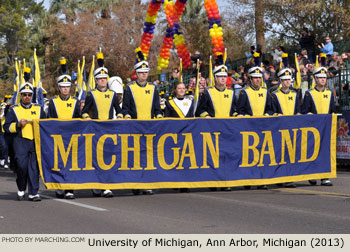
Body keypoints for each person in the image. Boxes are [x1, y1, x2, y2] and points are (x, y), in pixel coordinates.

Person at [81, 52, 123, 197]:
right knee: (96, 159)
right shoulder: (91, 94)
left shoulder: (112, 94)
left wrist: (120, 117)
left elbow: (119, 111)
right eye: (100, 79)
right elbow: (84, 112)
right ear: (96, 81)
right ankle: (96, 185)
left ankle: (107, 186)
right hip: (96, 131)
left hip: (110, 130)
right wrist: (86, 117)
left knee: (108, 159)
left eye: (105, 78)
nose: (103, 81)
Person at [122, 48, 163, 195]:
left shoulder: (153, 88)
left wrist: (158, 117)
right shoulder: (130, 88)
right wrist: (127, 117)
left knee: (148, 156)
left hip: (150, 128)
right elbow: (125, 108)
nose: (144, 74)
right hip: (135, 128)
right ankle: (135, 183)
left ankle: (147, 182)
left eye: (146, 72)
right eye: (141, 72)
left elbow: (157, 109)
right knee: (135, 156)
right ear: (137, 74)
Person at [196, 54, 236, 191]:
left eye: (225, 76)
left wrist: (237, 115)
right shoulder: (208, 92)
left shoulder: (231, 92)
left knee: (227, 156)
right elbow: (199, 110)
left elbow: (234, 110)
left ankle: (226, 181)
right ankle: (213, 180)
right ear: (215, 78)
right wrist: (207, 117)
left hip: (228, 129)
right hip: (212, 130)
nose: (223, 79)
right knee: (213, 156)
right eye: (220, 76)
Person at [4, 79, 46, 201]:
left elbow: (45, 124)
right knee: (21, 167)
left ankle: (33, 193)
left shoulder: (38, 109)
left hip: (35, 141)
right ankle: (21, 188)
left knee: (34, 168)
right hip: (20, 141)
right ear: (21, 95)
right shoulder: (14, 109)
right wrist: (17, 125)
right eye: (24, 95)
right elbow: (6, 127)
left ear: (32, 96)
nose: (27, 97)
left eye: (29, 95)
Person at [237, 62, 273, 190]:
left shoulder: (265, 91)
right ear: (250, 79)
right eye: (255, 77)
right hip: (249, 128)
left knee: (262, 154)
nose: (258, 80)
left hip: (263, 127)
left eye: (259, 77)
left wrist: (268, 116)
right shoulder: (244, 92)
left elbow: (270, 108)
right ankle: (248, 178)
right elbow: (239, 110)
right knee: (249, 155)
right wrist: (245, 117)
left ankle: (261, 179)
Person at [48, 58, 81, 199]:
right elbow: (49, 120)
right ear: (59, 88)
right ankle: (59, 187)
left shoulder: (75, 101)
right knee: (59, 164)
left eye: (68, 86)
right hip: (58, 137)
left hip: (72, 138)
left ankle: (70, 190)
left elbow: (79, 119)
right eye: (63, 87)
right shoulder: (53, 102)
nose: (66, 89)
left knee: (72, 165)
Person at [301, 67, 335, 186]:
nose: (322, 80)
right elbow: (304, 111)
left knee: (325, 152)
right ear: (315, 79)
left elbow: (332, 110)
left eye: (324, 77)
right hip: (313, 129)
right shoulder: (309, 94)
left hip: (326, 129)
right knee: (313, 152)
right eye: (320, 77)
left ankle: (325, 176)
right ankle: (312, 174)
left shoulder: (329, 93)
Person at [271, 68, 301, 188]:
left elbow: (298, 110)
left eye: (289, 80)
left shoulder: (294, 94)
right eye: (285, 80)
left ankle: (288, 177)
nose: (288, 82)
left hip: (292, 128)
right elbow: (272, 111)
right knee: (279, 154)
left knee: (290, 154)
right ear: (281, 81)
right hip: (279, 129)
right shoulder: (274, 95)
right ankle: (279, 177)